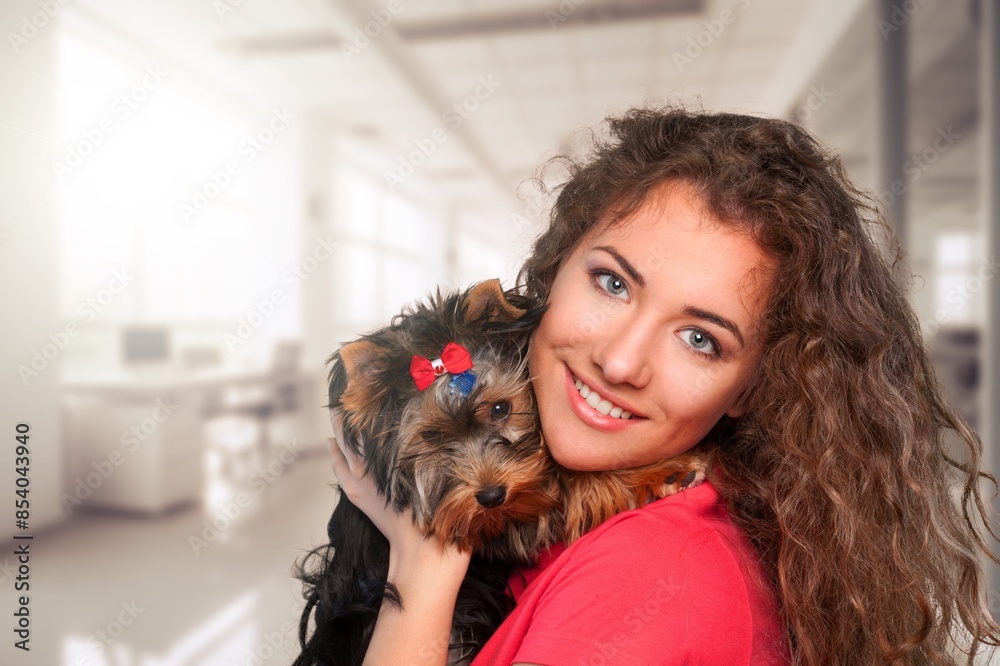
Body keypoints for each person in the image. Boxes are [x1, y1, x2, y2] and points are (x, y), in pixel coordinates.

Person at [328, 107, 1000, 664]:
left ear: (752, 388)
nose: (622, 362)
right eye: (613, 283)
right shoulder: (647, 512)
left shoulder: (647, 580)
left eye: (701, 338)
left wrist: (420, 573)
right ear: (555, 271)